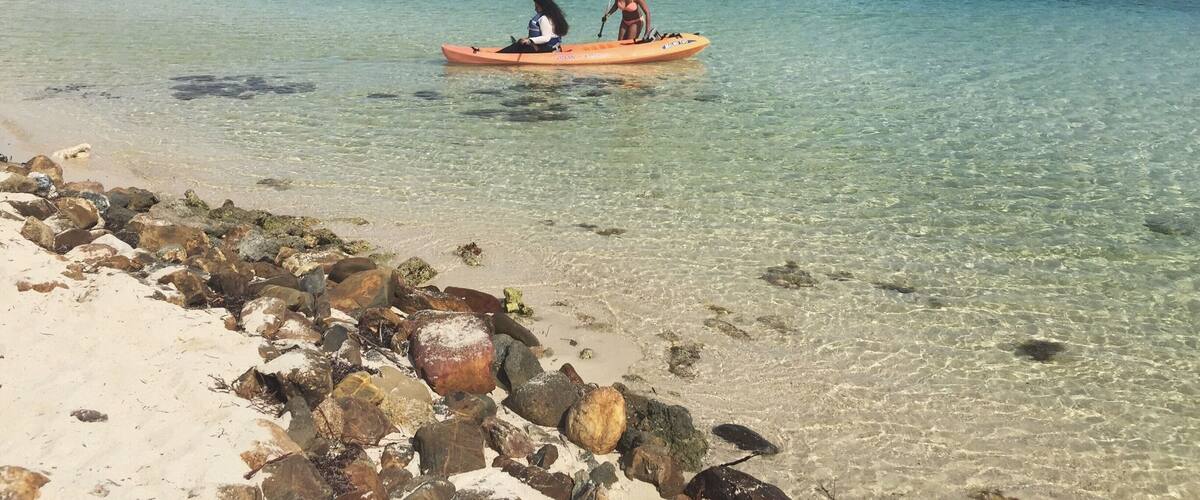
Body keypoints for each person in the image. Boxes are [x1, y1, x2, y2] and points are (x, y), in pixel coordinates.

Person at [498, 0, 571, 54]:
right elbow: (550, 35)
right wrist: (528, 39)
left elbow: (546, 38)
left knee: (518, 46)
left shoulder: (544, 18)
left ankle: (497, 56)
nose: (535, 9)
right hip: (553, 48)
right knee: (520, 42)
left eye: (537, 6)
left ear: (543, 7)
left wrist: (529, 41)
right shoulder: (553, 16)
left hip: (545, 50)